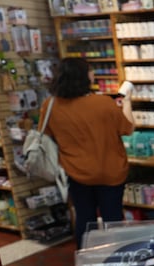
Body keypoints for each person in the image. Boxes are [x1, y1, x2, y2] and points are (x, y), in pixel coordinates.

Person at [38, 57, 135, 249]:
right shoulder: (103, 104)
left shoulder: (50, 105)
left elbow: (47, 134)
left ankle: (86, 262)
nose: (92, 74)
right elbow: (128, 128)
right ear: (83, 77)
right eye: (90, 70)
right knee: (113, 219)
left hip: (76, 173)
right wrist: (127, 102)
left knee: (84, 219)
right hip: (110, 172)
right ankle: (118, 261)